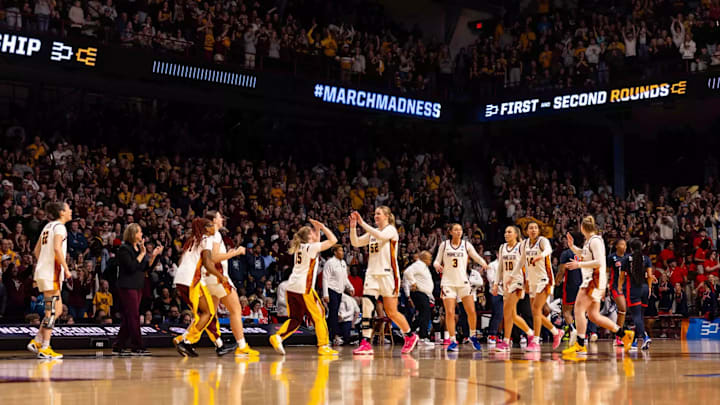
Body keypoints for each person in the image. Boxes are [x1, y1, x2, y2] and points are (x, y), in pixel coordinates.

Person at [350, 207, 419, 355]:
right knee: (367, 308)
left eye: (378, 213)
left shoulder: (391, 230)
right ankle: (365, 343)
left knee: (391, 312)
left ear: (387, 216)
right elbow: (355, 242)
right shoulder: (372, 233)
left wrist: (362, 223)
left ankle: (410, 335)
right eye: (374, 213)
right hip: (372, 275)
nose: (375, 216)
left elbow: (381, 236)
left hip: (388, 275)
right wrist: (353, 227)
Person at [563, 216, 634, 356]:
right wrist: (573, 248)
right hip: (595, 281)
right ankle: (625, 334)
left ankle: (580, 344)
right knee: (593, 315)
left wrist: (579, 265)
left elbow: (599, 262)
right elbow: (585, 255)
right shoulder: (590, 241)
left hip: (593, 280)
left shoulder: (595, 241)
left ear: (582, 228)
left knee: (578, 309)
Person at [269, 219, 338, 356]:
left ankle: (277, 337)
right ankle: (323, 345)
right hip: (304, 288)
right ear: (309, 236)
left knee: (295, 319)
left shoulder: (300, 248)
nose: (314, 233)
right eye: (312, 232)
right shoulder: (311, 248)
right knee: (319, 315)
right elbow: (333, 240)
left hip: (292, 287)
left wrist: (317, 229)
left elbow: (317, 243)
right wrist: (323, 226)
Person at [203, 211, 259, 357]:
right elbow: (214, 257)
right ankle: (242, 346)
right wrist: (234, 253)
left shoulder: (206, 234)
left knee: (209, 314)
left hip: (209, 278)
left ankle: (186, 339)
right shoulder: (214, 234)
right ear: (214, 220)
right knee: (236, 309)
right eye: (220, 216)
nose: (222, 218)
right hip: (218, 277)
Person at [26, 201, 72, 359]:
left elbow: (36, 250)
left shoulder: (47, 226)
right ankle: (45, 347)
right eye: (68, 209)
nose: (70, 211)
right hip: (51, 273)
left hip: (45, 272)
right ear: (61, 212)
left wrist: (43, 264)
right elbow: (57, 248)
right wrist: (66, 269)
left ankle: (37, 340)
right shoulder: (59, 227)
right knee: (51, 311)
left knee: (57, 309)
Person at [433, 223, 488, 352]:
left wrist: (484, 263)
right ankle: (452, 340)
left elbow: (476, 256)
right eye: (456, 230)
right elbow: (436, 260)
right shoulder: (444, 245)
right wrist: (437, 266)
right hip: (448, 282)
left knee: (471, 311)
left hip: (463, 282)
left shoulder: (466, 245)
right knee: (450, 313)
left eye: (460, 230)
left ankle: (473, 336)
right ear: (450, 232)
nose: (459, 232)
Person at [113, 223, 162, 356]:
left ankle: (119, 344)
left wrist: (154, 256)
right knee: (134, 316)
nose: (141, 235)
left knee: (129, 317)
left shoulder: (138, 249)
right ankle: (137, 345)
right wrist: (142, 254)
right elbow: (131, 267)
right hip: (127, 286)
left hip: (138, 285)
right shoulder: (124, 249)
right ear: (133, 234)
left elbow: (146, 269)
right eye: (139, 232)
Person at [172, 218, 218, 357]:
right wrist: (220, 276)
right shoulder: (206, 239)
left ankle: (184, 340)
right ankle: (186, 342)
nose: (213, 227)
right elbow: (207, 262)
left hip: (180, 279)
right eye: (210, 225)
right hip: (192, 279)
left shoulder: (192, 240)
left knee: (199, 314)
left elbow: (182, 260)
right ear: (204, 228)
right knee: (208, 313)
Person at [521, 221, 563, 351]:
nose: (533, 230)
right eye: (530, 228)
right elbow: (522, 262)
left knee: (536, 309)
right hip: (532, 281)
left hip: (545, 279)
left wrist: (541, 256)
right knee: (536, 312)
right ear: (526, 231)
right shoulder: (524, 244)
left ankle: (536, 341)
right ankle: (556, 332)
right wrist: (522, 279)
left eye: (535, 228)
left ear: (538, 230)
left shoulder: (542, 241)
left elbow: (549, 250)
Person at [491, 226, 534, 352]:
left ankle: (510, 339)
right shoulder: (502, 247)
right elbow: (500, 268)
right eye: (505, 231)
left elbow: (527, 265)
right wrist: (495, 283)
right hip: (506, 283)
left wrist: (528, 282)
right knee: (511, 314)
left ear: (516, 234)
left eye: (509, 232)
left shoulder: (521, 247)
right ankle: (527, 334)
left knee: (508, 312)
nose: (506, 234)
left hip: (517, 282)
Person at [620, 239, 654, 351]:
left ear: (630, 248)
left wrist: (619, 287)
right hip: (644, 289)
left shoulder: (626, 259)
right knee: (640, 317)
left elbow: (622, 276)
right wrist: (649, 288)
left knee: (636, 316)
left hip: (633, 289)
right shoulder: (647, 259)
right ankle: (634, 340)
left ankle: (645, 337)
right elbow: (649, 275)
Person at [555, 233, 584, 346]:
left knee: (566, 310)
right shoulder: (584, 252)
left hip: (571, 284)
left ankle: (572, 330)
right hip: (584, 284)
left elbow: (562, 271)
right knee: (581, 311)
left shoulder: (566, 253)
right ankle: (584, 334)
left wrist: (557, 282)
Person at [322, 245, 354, 345]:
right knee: (333, 314)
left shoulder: (343, 263)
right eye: (340, 250)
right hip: (332, 290)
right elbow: (325, 278)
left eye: (342, 250)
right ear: (335, 252)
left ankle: (329, 336)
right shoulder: (330, 263)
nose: (342, 252)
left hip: (340, 291)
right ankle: (333, 336)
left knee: (333, 314)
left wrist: (350, 287)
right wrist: (325, 294)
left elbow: (345, 278)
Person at [403, 251, 434, 348]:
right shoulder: (418, 265)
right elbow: (407, 272)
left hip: (424, 294)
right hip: (419, 293)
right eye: (429, 258)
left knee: (424, 315)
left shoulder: (423, 266)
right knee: (425, 314)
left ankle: (409, 331)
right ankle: (422, 337)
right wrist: (413, 283)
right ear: (424, 258)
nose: (431, 260)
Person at [607, 239, 629, 347]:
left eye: (625, 244)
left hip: (627, 287)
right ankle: (618, 337)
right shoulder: (611, 257)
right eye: (621, 244)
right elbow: (607, 272)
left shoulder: (628, 258)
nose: (623, 246)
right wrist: (605, 285)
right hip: (615, 286)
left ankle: (619, 334)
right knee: (622, 308)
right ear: (616, 246)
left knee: (623, 311)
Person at [485, 251, 503, 346]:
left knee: (503, 315)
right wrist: (502, 282)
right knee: (497, 314)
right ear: (497, 254)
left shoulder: (507, 264)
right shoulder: (492, 265)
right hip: (495, 292)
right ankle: (491, 334)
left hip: (506, 293)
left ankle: (498, 335)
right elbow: (491, 279)